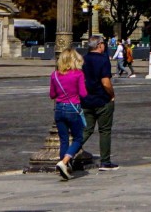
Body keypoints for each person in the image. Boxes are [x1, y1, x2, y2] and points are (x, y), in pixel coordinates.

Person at [49, 48, 88, 180]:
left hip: (59, 109)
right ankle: (64, 162)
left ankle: (64, 167)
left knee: (64, 140)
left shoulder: (54, 75)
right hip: (73, 108)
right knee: (78, 139)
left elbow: (52, 95)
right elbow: (83, 93)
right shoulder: (78, 74)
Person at [81, 34, 118, 170]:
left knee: (86, 130)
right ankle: (105, 161)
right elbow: (105, 82)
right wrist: (112, 95)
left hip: (86, 99)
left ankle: (68, 152)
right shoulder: (103, 60)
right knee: (105, 131)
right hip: (102, 99)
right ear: (99, 45)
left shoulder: (83, 60)